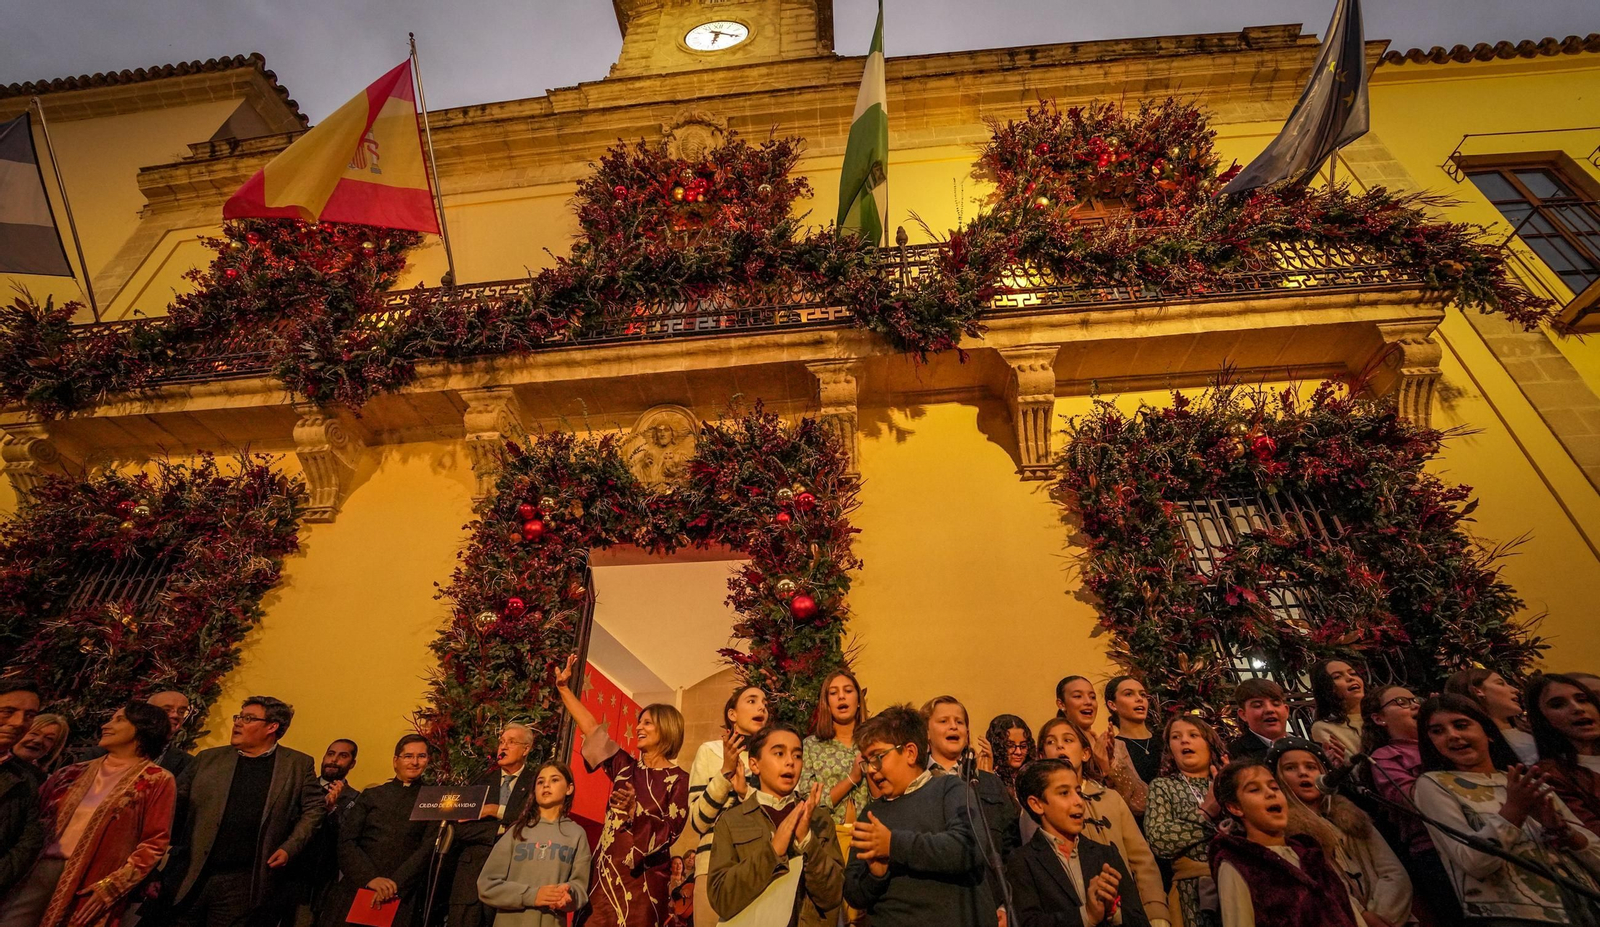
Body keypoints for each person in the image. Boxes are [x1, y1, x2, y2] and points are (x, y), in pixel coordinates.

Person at [1413, 693, 1600, 924]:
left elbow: (1595, 852)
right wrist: (1513, 810)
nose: (1452, 736)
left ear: (1488, 733)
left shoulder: (1524, 780)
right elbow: (1473, 862)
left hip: (1587, 906)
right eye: (1437, 731)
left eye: (1461, 725)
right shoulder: (1433, 784)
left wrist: (1565, 832)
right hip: (1518, 917)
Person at [0, 702, 175, 927]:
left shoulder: (156, 779)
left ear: (142, 729)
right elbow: (28, 821)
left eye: (119, 720)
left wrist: (114, 886)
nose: (106, 725)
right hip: (36, 871)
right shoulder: (71, 772)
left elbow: (154, 843)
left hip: (92, 880)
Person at [166, 695, 325, 927]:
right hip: (192, 872)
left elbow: (314, 809)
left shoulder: (297, 765)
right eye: (238, 716)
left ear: (272, 727)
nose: (238, 723)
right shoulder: (208, 759)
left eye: (248, 718)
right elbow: (173, 802)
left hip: (243, 880)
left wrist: (290, 847)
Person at [555, 654, 688, 927]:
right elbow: (592, 728)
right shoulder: (625, 767)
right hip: (602, 878)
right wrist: (564, 690)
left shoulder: (680, 779)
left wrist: (633, 812)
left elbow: (671, 831)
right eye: (639, 722)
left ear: (667, 728)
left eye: (647, 722)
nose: (638, 727)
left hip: (643, 883)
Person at [842, 704, 994, 927]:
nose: (871, 770)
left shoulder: (950, 790)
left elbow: (970, 848)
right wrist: (876, 876)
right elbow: (854, 893)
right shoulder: (872, 814)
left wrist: (893, 845)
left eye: (877, 757)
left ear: (910, 753)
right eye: (866, 762)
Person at [1037, 717, 1170, 926]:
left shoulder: (1110, 798)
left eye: (1068, 740)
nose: (1059, 746)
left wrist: (1156, 912)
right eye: (1050, 742)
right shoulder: (1038, 808)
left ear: (1085, 752)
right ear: (1041, 756)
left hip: (1126, 912)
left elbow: (1142, 861)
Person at [1267, 737, 1412, 927]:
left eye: (1311, 767)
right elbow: (1322, 889)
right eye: (1291, 768)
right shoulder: (1287, 831)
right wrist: (1363, 917)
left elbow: (1393, 872)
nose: (1303, 773)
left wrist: (1383, 916)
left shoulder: (1352, 817)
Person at [707, 724, 842, 927]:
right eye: (779, 753)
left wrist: (807, 842)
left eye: (797, 756)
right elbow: (721, 899)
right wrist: (772, 852)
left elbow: (832, 896)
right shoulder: (732, 821)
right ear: (755, 765)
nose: (790, 762)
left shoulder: (819, 819)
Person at [1209, 758, 1364, 927]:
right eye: (1254, 790)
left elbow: (1346, 911)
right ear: (1235, 808)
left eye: (1274, 787)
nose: (1270, 793)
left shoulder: (1308, 853)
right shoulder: (1239, 862)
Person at [1006, 758, 1151, 927]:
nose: (1078, 801)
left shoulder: (1106, 855)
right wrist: (1086, 915)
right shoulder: (1023, 861)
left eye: (1078, 792)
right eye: (1064, 793)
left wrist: (1114, 912)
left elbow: (1140, 921)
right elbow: (1028, 923)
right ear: (1037, 804)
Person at [1362, 685, 1462, 927]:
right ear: (1379, 718)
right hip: (1435, 850)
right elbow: (1411, 801)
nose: (1415, 705)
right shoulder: (1386, 756)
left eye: (1414, 699)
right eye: (1401, 702)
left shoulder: (1447, 741)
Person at [319, 735, 436, 927]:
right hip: (358, 885)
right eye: (408, 756)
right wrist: (370, 879)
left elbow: (427, 848)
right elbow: (347, 841)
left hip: (401, 892)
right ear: (395, 761)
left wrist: (394, 884)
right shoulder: (372, 796)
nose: (414, 762)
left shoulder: (433, 799)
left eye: (421, 756)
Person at [687, 684, 769, 927]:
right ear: (732, 714)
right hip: (712, 865)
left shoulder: (768, 760)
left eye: (764, 703)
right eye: (752, 701)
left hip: (757, 865)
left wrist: (746, 793)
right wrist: (724, 773)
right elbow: (697, 820)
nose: (761, 706)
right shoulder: (710, 751)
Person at [479, 760, 592, 927]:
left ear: (569, 788)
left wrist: (568, 896)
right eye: (540, 782)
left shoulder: (576, 834)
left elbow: (580, 888)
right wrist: (533, 895)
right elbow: (487, 884)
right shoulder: (517, 831)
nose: (546, 785)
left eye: (554, 780)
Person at [448, 723, 537, 927]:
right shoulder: (481, 780)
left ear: (526, 748)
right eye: (501, 742)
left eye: (511, 742)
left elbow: (531, 818)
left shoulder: (536, 781)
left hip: (512, 876)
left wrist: (493, 810)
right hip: (472, 876)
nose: (503, 747)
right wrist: (502, 829)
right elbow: (462, 827)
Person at [1144, 714, 1227, 927]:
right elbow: (1159, 840)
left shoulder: (1229, 784)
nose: (1184, 741)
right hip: (1191, 892)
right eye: (1176, 737)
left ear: (1210, 744)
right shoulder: (1163, 787)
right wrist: (1206, 812)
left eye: (1193, 735)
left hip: (1236, 880)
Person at [920, 696, 1020, 864]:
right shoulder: (916, 780)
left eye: (959, 722)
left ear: (966, 734)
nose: (953, 726)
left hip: (986, 883)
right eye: (943, 721)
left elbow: (1010, 840)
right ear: (927, 733)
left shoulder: (989, 783)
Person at [286, 739, 362, 927]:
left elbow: (348, 838)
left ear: (352, 764)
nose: (334, 760)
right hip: (290, 869)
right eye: (331, 753)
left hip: (324, 878)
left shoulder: (356, 799)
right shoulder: (302, 787)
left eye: (343, 756)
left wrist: (332, 810)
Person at [1056, 676, 1147, 814]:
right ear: (1061, 704)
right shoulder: (1057, 746)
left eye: (1092, 697)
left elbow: (1142, 803)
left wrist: (1111, 766)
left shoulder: (1116, 746)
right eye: (1078, 696)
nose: (1088, 702)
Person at [1528, 674, 1600, 831]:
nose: (1578, 709)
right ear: (1544, 719)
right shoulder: (1550, 774)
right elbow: (1590, 832)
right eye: (1558, 705)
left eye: (1582, 699)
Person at [797, 669, 870, 825]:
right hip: (827, 840)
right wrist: (852, 779)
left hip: (869, 838)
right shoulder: (811, 746)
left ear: (858, 701)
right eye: (833, 693)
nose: (841, 696)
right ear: (827, 704)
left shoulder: (872, 742)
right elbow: (809, 800)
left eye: (848, 691)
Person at [78, 690, 196, 776]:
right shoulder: (97, 755)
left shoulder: (187, 763)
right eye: (166, 710)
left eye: (181, 712)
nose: (175, 715)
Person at [0, 681, 45, 898]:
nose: (19, 723)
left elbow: (28, 843)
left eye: (29, 715)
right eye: (8, 711)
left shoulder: (27, 780)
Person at [1444, 668, 1539, 765]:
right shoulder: (1480, 744)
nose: (1515, 690)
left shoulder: (1530, 727)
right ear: (1477, 691)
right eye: (1500, 683)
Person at [1106, 676, 1160, 788]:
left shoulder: (1165, 740)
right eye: (1129, 694)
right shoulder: (1113, 748)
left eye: (1143, 695)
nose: (1139, 699)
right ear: (1112, 705)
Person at [1310, 659, 1366, 766]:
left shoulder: (1380, 714)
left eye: (1353, 673)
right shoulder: (1324, 728)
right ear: (1326, 688)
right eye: (1337, 677)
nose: (1350, 678)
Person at [1225, 679, 1289, 761]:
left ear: (1286, 710)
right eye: (1257, 705)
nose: (1269, 710)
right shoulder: (1233, 755)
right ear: (1243, 714)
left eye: (1275, 704)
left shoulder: (1304, 746)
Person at [984, 714, 1033, 801]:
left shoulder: (1032, 776)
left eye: (1023, 746)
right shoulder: (987, 775)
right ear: (997, 746)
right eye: (1010, 746)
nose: (1018, 752)